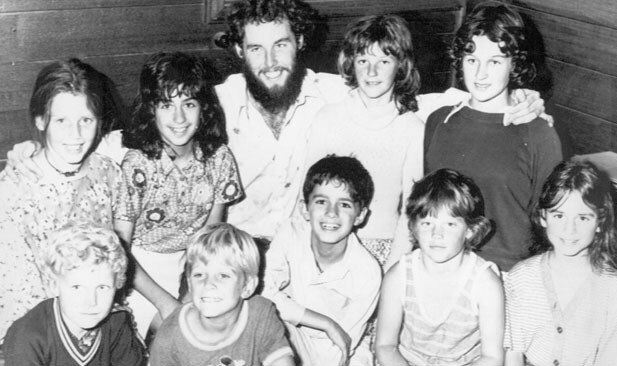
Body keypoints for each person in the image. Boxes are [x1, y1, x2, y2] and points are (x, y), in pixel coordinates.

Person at [5, 0, 548, 244]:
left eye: (282, 44)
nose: (270, 61)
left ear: (301, 45)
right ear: (238, 50)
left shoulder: (333, 92)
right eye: (256, 48)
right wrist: (37, 149)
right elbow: (129, 136)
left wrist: (520, 97)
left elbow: (426, 102)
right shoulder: (212, 102)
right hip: (231, 251)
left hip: (308, 246)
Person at [423, 2, 562, 271]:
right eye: (472, 59)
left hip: (510, 273)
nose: (480, 73)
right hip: (443, 268)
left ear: (514, 64)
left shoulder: (538, 132)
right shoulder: (438, 121)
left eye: (495, 61)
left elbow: (550, 224)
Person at [112, 52, 243, 338]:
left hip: (193, 264)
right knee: (170, 335)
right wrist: (165, 303)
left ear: (203, 108)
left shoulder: (219, 158)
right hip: (139, 272)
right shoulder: (138, 163)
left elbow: (210, 236)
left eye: (189, 104)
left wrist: (190, 294)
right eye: (166, 105)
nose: (179, 118)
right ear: (151, 110)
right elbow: (119, 248)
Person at [0, 59, 122, 341]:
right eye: (62, 120)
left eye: (86, 120)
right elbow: (17, 298)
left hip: (101, 322)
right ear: (41, 120)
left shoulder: (109, 174)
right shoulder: (13, 189)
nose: (76, 135)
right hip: (36, 337)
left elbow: (116, 269)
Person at [304, 15, 422, 270]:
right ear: (351, 63)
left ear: (400, 65)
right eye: (363, 60)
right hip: (327, 241)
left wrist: (392, 271)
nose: (372, 72)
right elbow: (305, 196)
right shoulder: (328, 118)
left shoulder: (412, 128)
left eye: (384, 61)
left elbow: (410, 213)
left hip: (385, 249)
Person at [504, 161, 617, 366]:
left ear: (600, 221)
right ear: (543, 217)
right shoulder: (521, 278)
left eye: (583, 218)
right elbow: (513, 355)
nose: (569, 229)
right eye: (559, 215)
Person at [375, 169, 504, 366]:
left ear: (470, 230)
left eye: (450, 224)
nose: (437, 234)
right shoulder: (399, 276)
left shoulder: (485, 282)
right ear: (413, 227)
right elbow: (385, 346)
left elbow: (492, 357)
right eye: (427, 223)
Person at [263, 155, 382, 366]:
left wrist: (331, 330)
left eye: (344, 205)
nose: (331, 213)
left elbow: (343, 345)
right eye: (321, 201)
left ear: (360, 215)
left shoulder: (367, 272)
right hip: (291, 332)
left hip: (340, 350)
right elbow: (264, 293)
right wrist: (326, 323)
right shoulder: (291, 234)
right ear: (304, 208)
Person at [150, 223, 295, 366]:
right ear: (189, 283)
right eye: (199, 275)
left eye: (223, 275)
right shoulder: (170, 336)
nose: (208, 284)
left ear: (247, 286)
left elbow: (280, 360)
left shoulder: (261, 313)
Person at [3, 224, 146, 366]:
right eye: (77, 287)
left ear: (118, 284)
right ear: (54, 285)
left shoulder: (117, 321)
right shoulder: (27, 337)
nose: (91, 301)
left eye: (102, 287)